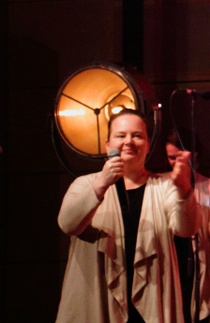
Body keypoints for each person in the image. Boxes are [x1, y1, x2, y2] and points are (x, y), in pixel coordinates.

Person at [56, 109, 199, 322]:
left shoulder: (163, 187)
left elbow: (186, 229)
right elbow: (68, 224)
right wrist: (101, 184)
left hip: (151, 300)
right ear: (107, 144)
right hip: (98, 297)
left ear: (148, 144)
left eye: (137, 135)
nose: (129, 141)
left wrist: (185, 191)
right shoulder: (85, 183)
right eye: (121, 136)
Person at [165, 129, 210, 323]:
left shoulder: (208, 185)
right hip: (169, 264)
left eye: (181, 157)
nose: (176, 163)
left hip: (199, 263)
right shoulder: (161, 184)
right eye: (171, 158)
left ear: (194, 154)